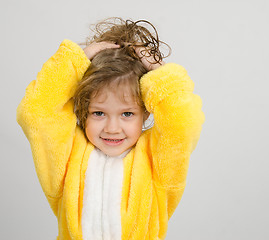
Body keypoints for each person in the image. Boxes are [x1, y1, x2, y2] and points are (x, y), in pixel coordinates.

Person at [17, 18, 204, 240]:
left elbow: (183, 123)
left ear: (145, 112)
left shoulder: (156, 162)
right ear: (83, 110)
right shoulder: (67, 157)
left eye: (127, 114)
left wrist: (160, 73)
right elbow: (36, 112)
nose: (112, 128)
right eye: (98, 113)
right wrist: (76, 60)